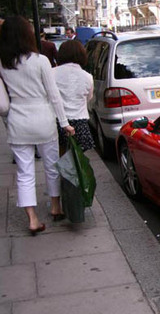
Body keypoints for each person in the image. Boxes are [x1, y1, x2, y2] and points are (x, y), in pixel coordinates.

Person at [0, 16, 75, 235]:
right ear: (27, 35)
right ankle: (55, 207)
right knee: (51, 167)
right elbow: (54, 96)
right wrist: (65, 123)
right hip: (43, 119)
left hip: (18, 120)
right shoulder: (41, 60)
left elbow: (3, 105)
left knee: (25, 172)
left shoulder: (2, 63)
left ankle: (32, 219)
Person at [53, 40, 95, 153]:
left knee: (61, 157)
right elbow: (88, 97)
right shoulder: (87, 77)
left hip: (57, 122)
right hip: (80, 123)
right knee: (78, 158)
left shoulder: (52, 73)